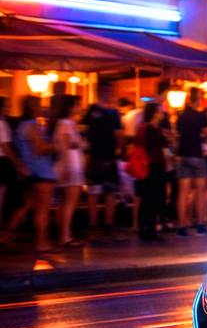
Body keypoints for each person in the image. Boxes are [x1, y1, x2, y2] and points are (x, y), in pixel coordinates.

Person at [6, 97, 55, 251]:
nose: (42, 108)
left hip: (29, 170)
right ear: (33, 107)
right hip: (41, 170)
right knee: (42, 208)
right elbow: (39, 148)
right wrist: (55, 146)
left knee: (27, 205)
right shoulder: (31, 126)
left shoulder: (21, 126)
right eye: (39, 105)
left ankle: (6, 235)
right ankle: (41, 243)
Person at [83, 99, 123, 239]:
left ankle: (94, 227)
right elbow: (119, 134)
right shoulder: (113, 112)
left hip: (95, 156)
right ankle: (107, 226)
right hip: (107, 157)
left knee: (95, 193)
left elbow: (84, 130)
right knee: (109, 193)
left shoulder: (92, 110)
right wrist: (119, 149)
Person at [174, 87, 207, 236]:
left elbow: (177, 135)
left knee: (183, 193)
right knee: (200, 192)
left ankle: (182, 226)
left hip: (183, 155)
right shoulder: (201, 116)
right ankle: (200, 224)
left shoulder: (181, 116)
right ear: (199, 99)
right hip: (197, 154)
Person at [51, 95, 85, 247]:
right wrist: (66, 166)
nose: (79, 107)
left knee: (64, 203)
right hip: (71, 165)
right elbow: (64, 146)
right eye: (77, 105)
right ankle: (65, 235)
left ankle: (64, 233)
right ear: (70, 107)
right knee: (69, 203)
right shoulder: (66, 123)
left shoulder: (66, 123)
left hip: (70, 165)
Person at [136, 102, 168, 242]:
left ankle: (147, 228)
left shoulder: (147, 128)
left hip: (152, 166)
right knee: (151, 199)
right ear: (154, 113)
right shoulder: (150, 129)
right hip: (151, 166)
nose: (162, 113)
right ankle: (148, 229)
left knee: (149, 199)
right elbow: (154, 147)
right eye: (160, 111)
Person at [0, 96, 26, 232]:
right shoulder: (2, 124)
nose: (8, 108)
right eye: (6, 106)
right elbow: (5, 146)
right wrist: (17, 163)